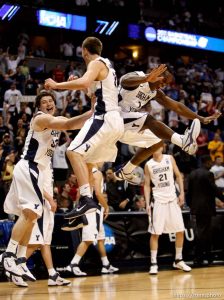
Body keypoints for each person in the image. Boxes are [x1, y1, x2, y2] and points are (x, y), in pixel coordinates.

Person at [44, 37, 166, 219]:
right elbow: (92, 91)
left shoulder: (96, 63)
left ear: (84, 50)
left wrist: (57, 85)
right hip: (113, 122)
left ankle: (86, 199)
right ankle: (84, 213)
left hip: (105, 118)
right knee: (89, 164)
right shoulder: (106, 67)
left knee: (73, 152)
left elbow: (85, 83)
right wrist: (78, 84)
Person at [2, 91, 93, 286]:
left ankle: (18, 259)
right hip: (28, 166)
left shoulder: (56, 121)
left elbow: (71, 123)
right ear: (39, 107)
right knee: (31, 214)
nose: (48, 104)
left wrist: (90, 110)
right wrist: (92, 111)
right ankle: (9, 255)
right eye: (44, 102)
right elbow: (69, 124)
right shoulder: (40, 118)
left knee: (31, 215)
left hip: (37, 171)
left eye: (50, 101)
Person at [114, 70, 221, 184]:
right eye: (163, 81)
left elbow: (177, 107)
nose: (164, 85)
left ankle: (126, 171)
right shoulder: (139, 76)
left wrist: (200, 117)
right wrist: (146, 78)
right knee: (148, 119)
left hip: (125, 125)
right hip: (113, 117)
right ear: (156, 76)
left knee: (157, 142)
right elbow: (124, 81)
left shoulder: (154, 92)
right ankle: (182, 141)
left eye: (166, 84)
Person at [62, 164, 119, 275]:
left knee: (100, 238)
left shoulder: (85, 171)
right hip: (94, 209)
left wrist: (78, 208)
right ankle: (73, 264)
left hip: (87, 207)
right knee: (88, 240)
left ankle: (105, 264)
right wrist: (106, 206)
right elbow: (98, 193)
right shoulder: (97, 173)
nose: (103, 162)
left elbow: (79, 194)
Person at [144, 144, 191, 275]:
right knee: (155, 233)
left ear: (162, 148)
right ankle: (153, 263)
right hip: (158, 200)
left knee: (180, 231)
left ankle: (178, 260)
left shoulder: (169, 158)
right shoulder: (148, 164)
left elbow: (178, 176)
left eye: (158, 146)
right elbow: (147, 185)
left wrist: (182, 193)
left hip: (172, 199)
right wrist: (147, 203)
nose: (156, 148)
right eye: (153, 146)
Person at [187, 155, 224, 265]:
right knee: (203, 233)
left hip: (196, 208)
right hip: (206, 207)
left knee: (204, 232)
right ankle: (199, 257)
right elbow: (214, 190)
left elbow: (189, 192)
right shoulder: (209, 174)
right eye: (210, 162)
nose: (211, 164)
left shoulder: (192, 174)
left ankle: (208, 256)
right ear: (206, 162)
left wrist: (191, 205)